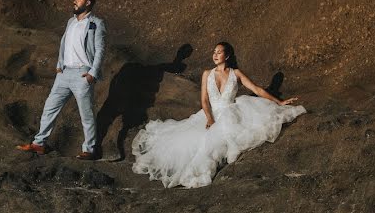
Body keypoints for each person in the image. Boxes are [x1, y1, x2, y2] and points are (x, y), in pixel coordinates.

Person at [131, 41, 305, 187]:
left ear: (227, 56)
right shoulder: (207, 74)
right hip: (209, 113)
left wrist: (279, 102)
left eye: (219, 52)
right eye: (214, 52)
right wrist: (209, 119)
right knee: (191, 142)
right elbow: (204, 101)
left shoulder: (236, 73)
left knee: (221, 140)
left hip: (231, 111)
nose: (215, 55)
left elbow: (257, 89)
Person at [16, 0, 106, 160]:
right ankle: (39, 144)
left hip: (82, 74)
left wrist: (92, 73)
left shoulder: (96, 23)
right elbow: (64, 43)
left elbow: (100, 49)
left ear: (87, 3)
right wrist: (59, 65)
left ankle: (90, 149)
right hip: (64, 74)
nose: (75, 1)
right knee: (50, 108)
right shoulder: (71, 22)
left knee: (86, 114)